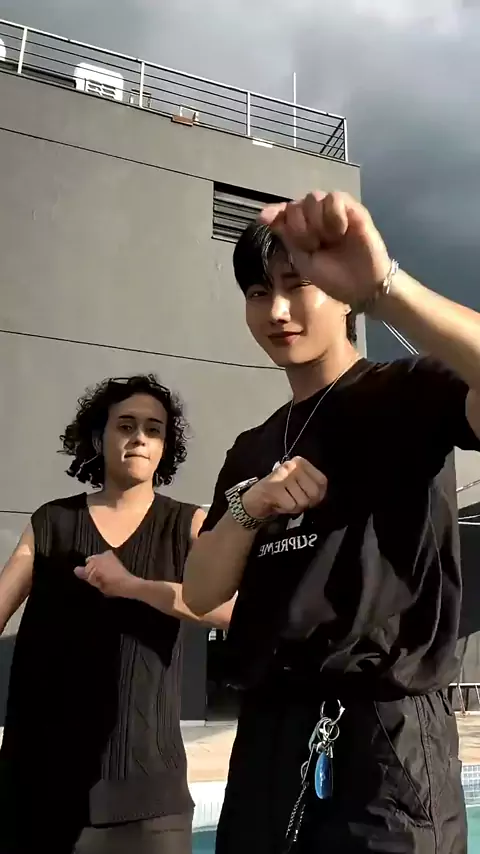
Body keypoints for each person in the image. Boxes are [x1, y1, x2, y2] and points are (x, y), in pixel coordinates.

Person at [183, 191, 480, 854]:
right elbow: (201, 591)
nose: (277, 311)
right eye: (259, 293)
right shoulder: (252, 449)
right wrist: (250, 507)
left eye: (299, 286)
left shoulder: (408, 392)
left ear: (342, 297)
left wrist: (384, 289)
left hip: (386, 738)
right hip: (269, 736)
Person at [0, 373, 233, 854]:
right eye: (126, 425)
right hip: (40, 783)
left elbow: (234, 610)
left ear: (165, 447)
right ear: (97, 437)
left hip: (149, 794)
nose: (140, 438)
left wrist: (132, 587)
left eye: (154, 429)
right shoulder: (51, 522)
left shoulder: (186, 524)